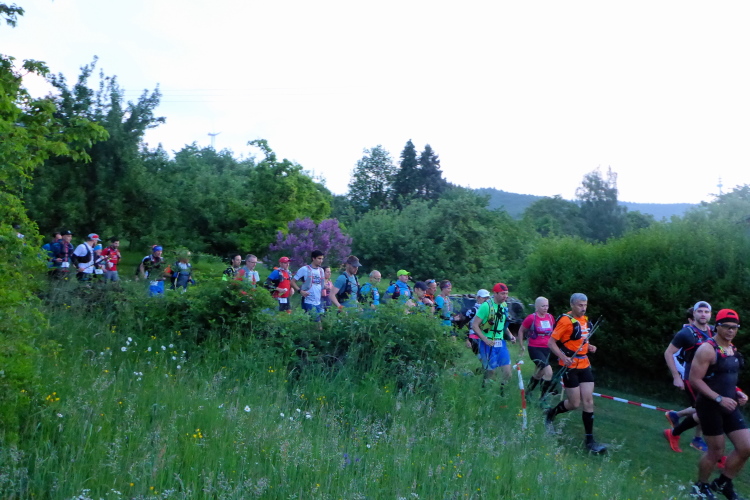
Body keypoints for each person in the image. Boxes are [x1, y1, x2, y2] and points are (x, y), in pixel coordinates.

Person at [689, 309, 749, 499]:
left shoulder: (732, 349)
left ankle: (723, 483)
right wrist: (718, 398)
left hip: (729, 405)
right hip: (710, 406)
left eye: (735, 327)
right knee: (715, 451)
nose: (731, 331)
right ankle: (700, 487)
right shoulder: (707, 349)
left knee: (746, 446)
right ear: (717, 326)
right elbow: (695, 379)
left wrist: (738, 392)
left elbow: (726, 378)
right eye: (727, 327)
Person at [545, 293, 606, 454]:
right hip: (569, 366)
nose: (583, 308)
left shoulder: (585, 320)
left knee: (588, 401)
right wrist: (562, 357)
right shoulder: (565, 321)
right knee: (574, 403)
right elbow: (551, 343)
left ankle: (590, 441)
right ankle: (551, 413)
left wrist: (590, 347)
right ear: (572, 305)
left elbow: (582, 340)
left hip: (584, 364)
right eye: (580, 305)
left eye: (585, 305)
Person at [663, 302, 714, 453]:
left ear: (710, 315)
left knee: (706, 408)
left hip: (709, 377)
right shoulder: (686, 333)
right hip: (692, 377)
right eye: (700, 311)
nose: (703, 314)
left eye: (706, 312)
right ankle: (693, 438)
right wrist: (676, 377)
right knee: (704, 410)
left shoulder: (714, 331)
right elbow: (668, 353)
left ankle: (676, 417)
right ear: (694, 314)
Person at [470, 283, 515, 394]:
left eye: (507, 294)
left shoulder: (504, 305)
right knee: (491, 373)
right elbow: (474, 325)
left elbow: (502, 323)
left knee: (507, 373)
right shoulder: (486, 306)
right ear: (495, 293)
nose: (505, 296)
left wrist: (510, 335)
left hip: (501, 343)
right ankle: (484, 393)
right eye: (503, 294)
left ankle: (502, 393)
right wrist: (485, 339)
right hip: (487, 343)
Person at [518, 296, 557, 398]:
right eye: (543, 306)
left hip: (547, 348)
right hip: (535, 348)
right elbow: (521, 330)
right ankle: (543, 398)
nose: (545, 308)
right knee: (548, 372)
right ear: (537, 307)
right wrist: (521, 345)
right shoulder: (532, 318)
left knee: (539, 372)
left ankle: (528, 392)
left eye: (547, 306)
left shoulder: (550, 317)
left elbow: (554, 332)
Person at [292, 250, 326, 320]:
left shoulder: (321, 270)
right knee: (317, 322)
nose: (321, 261)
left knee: (318, 321)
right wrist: (300, 291)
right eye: (319, 259)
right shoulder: (304, 269)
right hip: (308, 301)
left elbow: (319, 284)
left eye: (322, 259)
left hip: (318, 301)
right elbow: (292, 282)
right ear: (313, 258)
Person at [462, 289, 490, 355]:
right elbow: (463, 324)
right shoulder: (473, 310)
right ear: (478, 297)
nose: (486, 300)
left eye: (487, 298)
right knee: (481, 356)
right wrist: (466, 339)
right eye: (484, 298)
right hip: (474, 336)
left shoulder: (489, 310)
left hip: (486, 336)